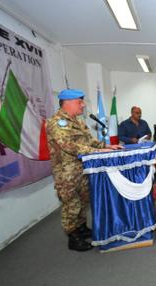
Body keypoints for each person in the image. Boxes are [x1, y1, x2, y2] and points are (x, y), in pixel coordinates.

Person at [46, 89, 123, 251]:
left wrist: (106, 146)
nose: (83, 105)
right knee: (71, 204)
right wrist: (98, 152)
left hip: (82, 169)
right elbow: (69, 145)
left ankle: (81, 229)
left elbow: (88, 140)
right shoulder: (56, 122)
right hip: (66, 174)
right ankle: (73, 237)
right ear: (67, 102)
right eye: (79, 102)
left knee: (83, 201)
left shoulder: (78, 121)